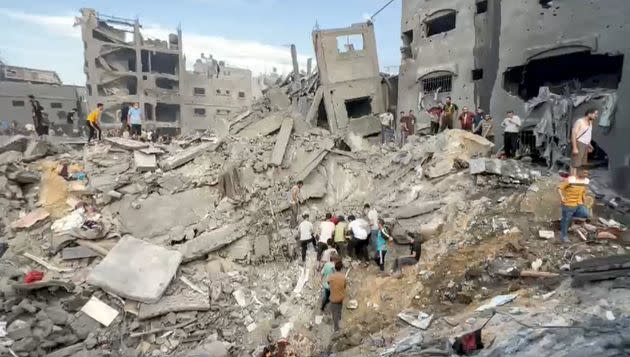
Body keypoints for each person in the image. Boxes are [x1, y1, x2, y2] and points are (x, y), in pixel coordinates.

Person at [558, 169, 590, 243]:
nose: (586, 174)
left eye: (587, 173)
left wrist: (584, 200)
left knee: (585, 213)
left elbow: (583, 191)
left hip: (579, 203)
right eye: (584, 172)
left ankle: (572, 222)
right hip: (569, 203)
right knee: (566, 220)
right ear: (579, 172)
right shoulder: (571, 180)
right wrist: (562, 197)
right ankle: (564, 236)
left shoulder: (585, 181)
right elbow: (560, 188)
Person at [570, 108, 598, 177]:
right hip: (579, 143)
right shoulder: (580, 121)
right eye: (595, 114)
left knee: (583, 164)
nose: (596, 116)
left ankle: (580, 179)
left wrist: (589, 145)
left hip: (585, 145)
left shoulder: (590, 122)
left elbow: (587, 135)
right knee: (576, 163)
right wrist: (575, 148)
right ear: (589, 114)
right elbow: (573, 135)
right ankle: (573, 180)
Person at [327, 260, 346, 332]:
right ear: (341, 268)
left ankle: (336, 328)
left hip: (333, 298)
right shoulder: (343, 277)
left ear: (335, 268)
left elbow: (328, 282)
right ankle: (340, 321)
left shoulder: (331, 276)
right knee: (339, 310)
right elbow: (344, 286)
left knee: (334, 313)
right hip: (340, 297)